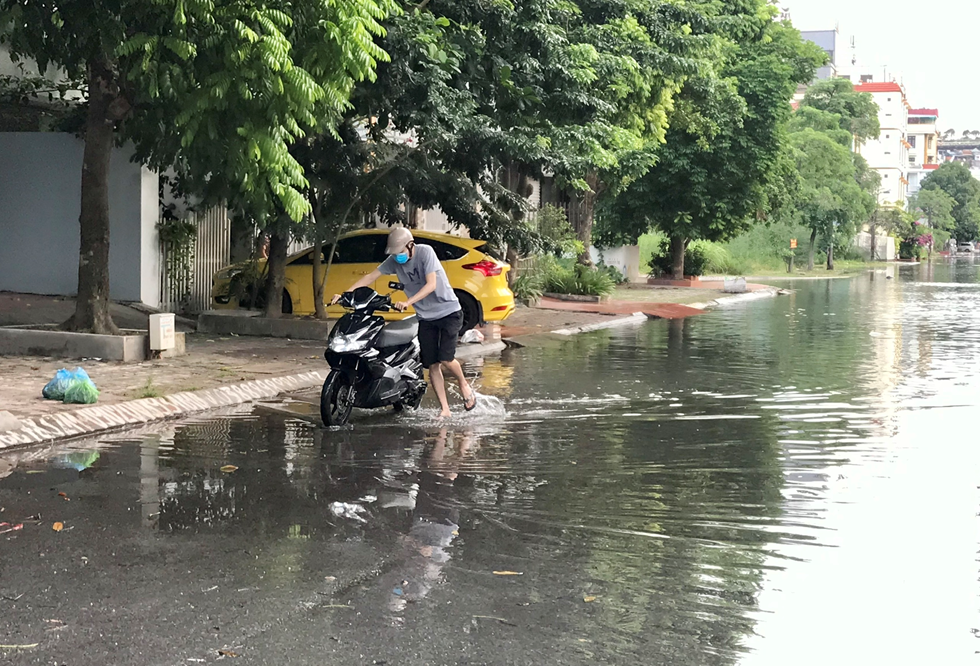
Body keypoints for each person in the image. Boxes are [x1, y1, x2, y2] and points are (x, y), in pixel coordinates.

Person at [332, 228, 477, 418]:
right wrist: (345, 294)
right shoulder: (394, 260)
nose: (397, 257)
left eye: (400, 252)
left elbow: (431, 284)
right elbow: (370, 277)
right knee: (432, 364)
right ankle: (445, 410)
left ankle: (463, 383)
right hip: (426, 317)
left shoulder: (425, 252)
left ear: (411, 245)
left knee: (446, 359)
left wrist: (408, 302)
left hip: (448, 312)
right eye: (394, 253)